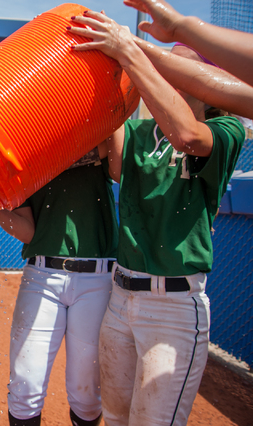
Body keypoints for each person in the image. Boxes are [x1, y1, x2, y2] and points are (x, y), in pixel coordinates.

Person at [69, 11, 244, 425]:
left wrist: (132, 55)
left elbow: (187, 135)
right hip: (121, 296)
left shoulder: (225, 128)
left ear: (209, 83)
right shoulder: (143, 134)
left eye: (180, 68)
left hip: (174, 306)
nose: (167, 75)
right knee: (114, 417)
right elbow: (113, 163)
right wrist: (108, 76)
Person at [0, 147, 118, 426]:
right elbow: (28, 232)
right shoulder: (23, 151)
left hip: (96, 278)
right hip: (42, 275)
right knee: (25, 388)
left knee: (86, 396)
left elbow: (118, 164)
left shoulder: (98, 132)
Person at [125, 0, 253, 87]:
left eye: (181, 69)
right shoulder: (147, 126)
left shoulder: (227, 126)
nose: (169, 78)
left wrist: (178, 28)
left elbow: (187, 128)